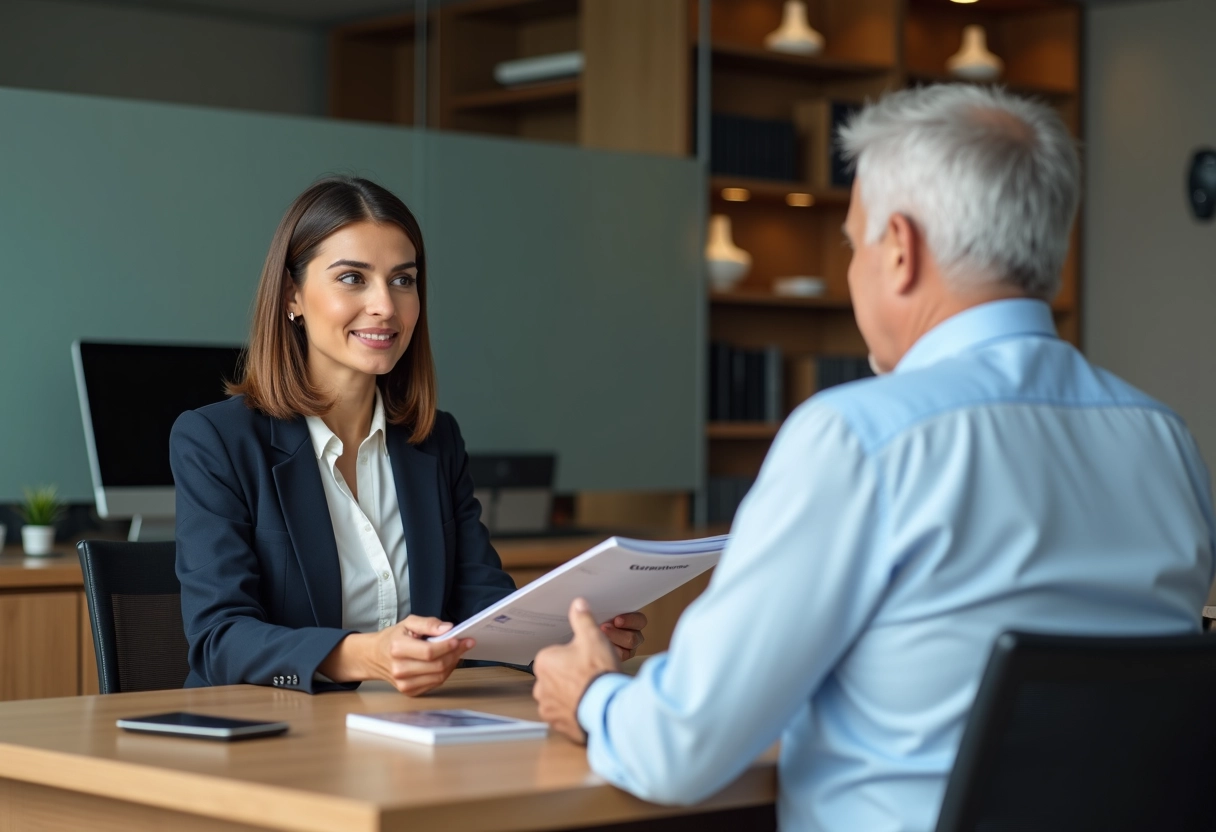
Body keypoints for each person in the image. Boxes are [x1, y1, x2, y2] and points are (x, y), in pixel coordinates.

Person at [532, 85, 1216, 831]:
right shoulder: (1162, 439)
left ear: (900, 249)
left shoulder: (860, 438)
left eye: (853, 245)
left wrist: (591, 693)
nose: (854, 270)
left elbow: (681, 747)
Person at [171, 176, 645, 695]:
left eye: (403, 280)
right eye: (353, 278)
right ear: (292, 295)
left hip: (405, 733)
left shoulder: (435, 440)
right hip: (272, 738)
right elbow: (219, 639)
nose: (385, 306)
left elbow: (476, 599)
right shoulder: (216, 440)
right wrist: (365, 655)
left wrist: (558, 640)